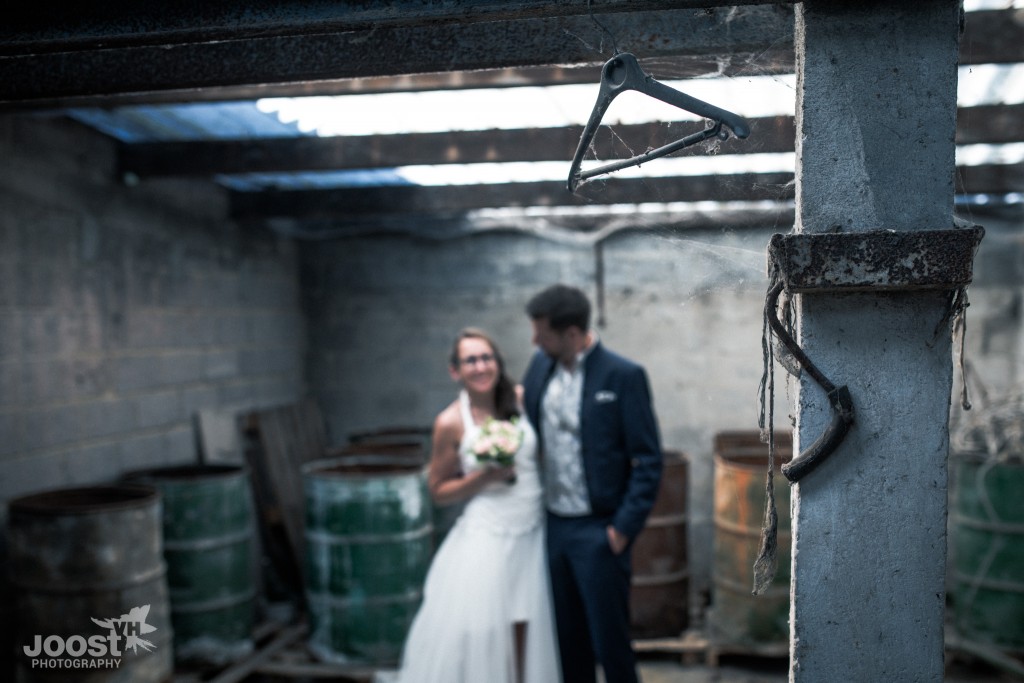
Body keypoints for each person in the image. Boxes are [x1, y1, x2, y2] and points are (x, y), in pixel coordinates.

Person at [392, 328, 562, 683]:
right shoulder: (450, 422)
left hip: (533, 530)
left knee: (527, 621)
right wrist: (482, 479)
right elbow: (437, 490)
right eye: (471, 360)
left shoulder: (520, 400)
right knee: (483, 626)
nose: (481, 366)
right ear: (455, 371)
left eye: (487, 358)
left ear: (497, 363)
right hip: (488, 534)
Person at [522, 284, 663, 683]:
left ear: (570, 333)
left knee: (610, 644)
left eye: (542, 333)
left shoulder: (623, 376)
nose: (534, 341)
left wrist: (621, 531)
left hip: (599, 531)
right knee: (567, 642)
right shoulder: (538, 368)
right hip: (553, 527)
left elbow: (649, 460)